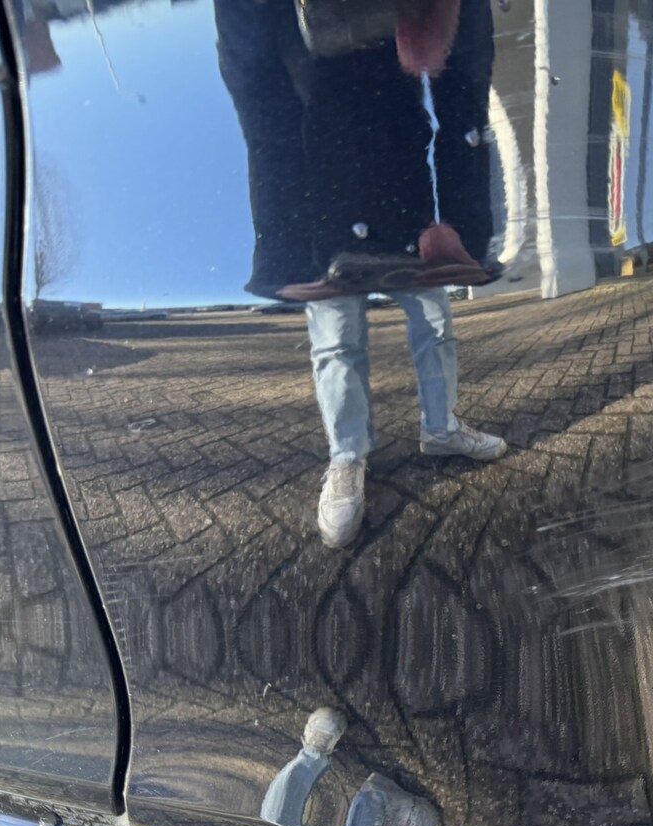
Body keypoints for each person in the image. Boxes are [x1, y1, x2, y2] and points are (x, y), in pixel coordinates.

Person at [216, 0, 505, 549]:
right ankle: (347, 457)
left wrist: (457, 219)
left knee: (434, 319)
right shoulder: (283, 34)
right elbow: (261, 103)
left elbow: (452, 87)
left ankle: (441, 428)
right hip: (321, 185)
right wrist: (283, 241)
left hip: (400, 173)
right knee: (337, 337)